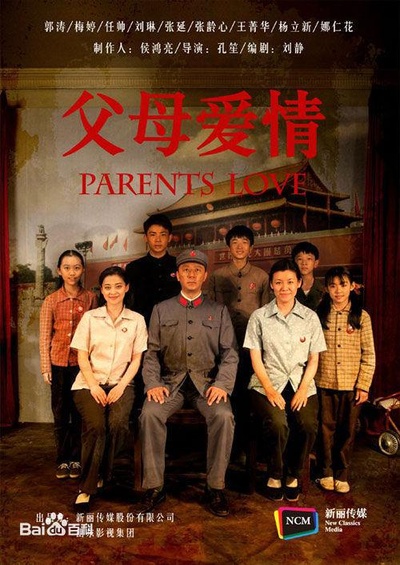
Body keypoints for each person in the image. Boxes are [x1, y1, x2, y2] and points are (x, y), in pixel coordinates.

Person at [138, 249, 238, 517]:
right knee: (149, 414)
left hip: (207, 384)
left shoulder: (218, 311)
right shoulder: (161, 309)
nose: (191, 275)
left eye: (197, 270)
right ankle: (155, 487)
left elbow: (230, 353)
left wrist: (222, 384)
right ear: (177, 275)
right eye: (186, 270)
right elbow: (151, 353)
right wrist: (153, 383)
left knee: (224, 416)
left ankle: (215, 487)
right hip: (170, 383)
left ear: (205, 276)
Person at [244, 258, 326, 502]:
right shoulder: (259, 317)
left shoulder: (310, 317)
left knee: (308, 424)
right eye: (278, 282)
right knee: (278, 423)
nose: (284, 287)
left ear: (299, 283)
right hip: (266, 384)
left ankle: (293, 474)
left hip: (301, 383)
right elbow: (255, 357)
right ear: (271, 284)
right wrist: (269, 389)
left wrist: (303, 390)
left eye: (290, 282)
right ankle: (275, 474)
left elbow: (314, 359)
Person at [71, 266, 147, 511]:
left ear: (126, 288)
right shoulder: (90, 318)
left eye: (118, 286)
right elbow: (82, 356)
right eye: (107, 287)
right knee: (96, 425)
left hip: (121, 384)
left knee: (117, 423)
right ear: (101, 291)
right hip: (88, 384)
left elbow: (136, 359)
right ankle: (86, 488)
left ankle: (105, 473)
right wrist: (94, 385)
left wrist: (121, 386)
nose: (113, 292)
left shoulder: (137, 320)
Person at [207, 225, 270, 460]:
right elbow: (210, 312)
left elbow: (265, 315)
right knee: (225, 395)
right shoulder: (217, 276)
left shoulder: (262, 277)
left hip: (250, 348)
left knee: (247, 396)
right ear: (228, 247)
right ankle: (226, 448)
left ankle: (246, 447)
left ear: (251, 248)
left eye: (244, 242)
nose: (240, 246)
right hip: (223, 347)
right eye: (235, 242)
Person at [315, 267, 375, 493]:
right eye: (333, 285)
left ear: (352, 286)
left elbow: (369, 354)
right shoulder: (319, 314)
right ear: (326, 289)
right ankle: (325, 472)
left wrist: (363, 385)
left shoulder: (362, 316)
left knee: (347, 431)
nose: (338, 290)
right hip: (324, 382)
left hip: (351, 385)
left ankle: (342, 474)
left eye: (343, 285)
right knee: (324, 429)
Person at [39, 250, 97, 480]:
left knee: (80, 413)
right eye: (67, 268)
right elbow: (45, 336)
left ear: (82, 270)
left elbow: (95, 333)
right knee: (60, 412)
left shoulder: (90, 298)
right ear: (59, 271)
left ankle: (77, 458)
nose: (72, 272)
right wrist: (46, 367)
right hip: (58, 364)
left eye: (76, 267)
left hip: (82, 366)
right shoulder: (51, 300)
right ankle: (62, 459)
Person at [125, 213, 181, 326]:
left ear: (169, 237)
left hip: (175, 325)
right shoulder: (133, 268)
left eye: (163, 234)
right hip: (143, 326)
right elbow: (128, 301)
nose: (158, 240)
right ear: (145, 238)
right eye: (153, 234)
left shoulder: (179, 265)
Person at [291, 241, 324, 311]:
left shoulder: (324, 289)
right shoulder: (289, 288)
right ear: (294, 262)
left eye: (309, 259)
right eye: (300, 259)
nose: (304, 263)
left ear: (316, 263)